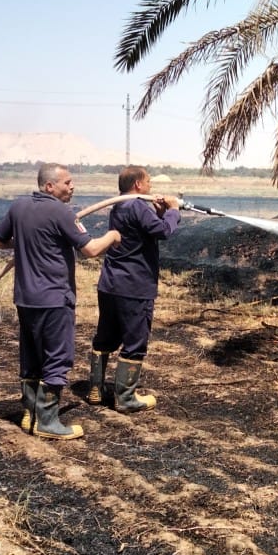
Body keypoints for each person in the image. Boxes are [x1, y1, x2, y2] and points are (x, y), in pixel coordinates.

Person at [0, 162, 121, 440]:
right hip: (54, 299)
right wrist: (112, 235)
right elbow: (90, 250)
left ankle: (30, 413)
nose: (72, 187)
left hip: (25, 298)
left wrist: (28, 243)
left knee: (31, 356)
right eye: (67, 183)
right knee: (57, 358)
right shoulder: (62, 212)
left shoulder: (18, 207)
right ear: (49, 186)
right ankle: (48, 422)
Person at [88, 165, 180, 413]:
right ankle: (125, 398)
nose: (151, 186)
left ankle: (95, 388)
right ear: (138, 184)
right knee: (135, 340)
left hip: (110, 284)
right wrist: (173, 211)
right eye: (148, 181)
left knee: (105, 336)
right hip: (134, 287)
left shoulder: (121, 205)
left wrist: (159, 212)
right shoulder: (137, 205)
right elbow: (163, 232)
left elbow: (143, 231)